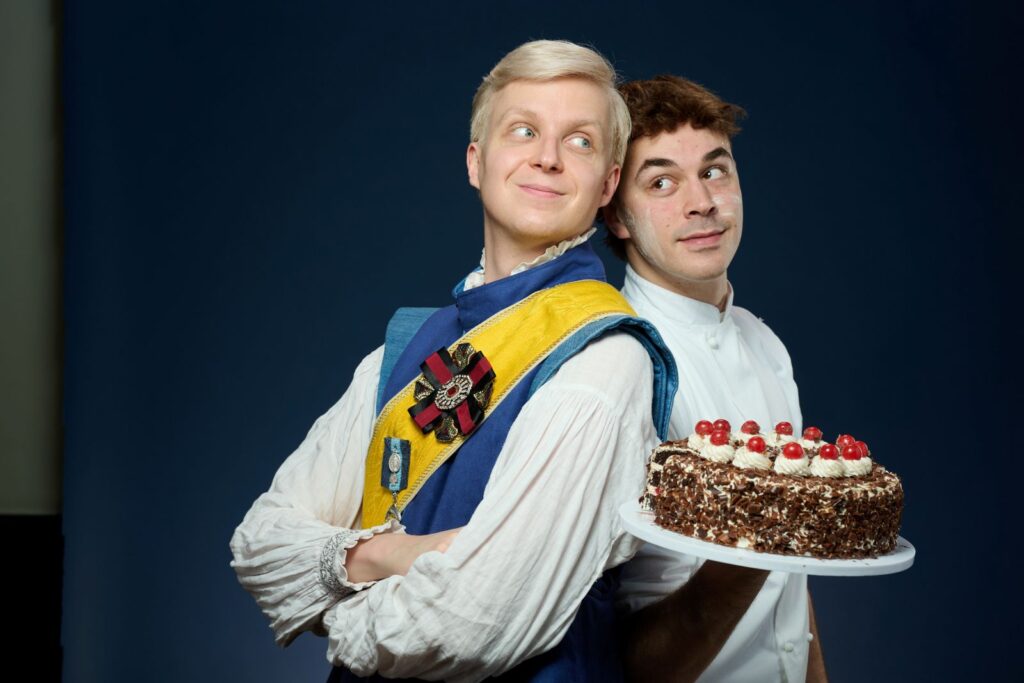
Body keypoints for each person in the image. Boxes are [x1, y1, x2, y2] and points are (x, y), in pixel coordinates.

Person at [230, 40, 675, 682]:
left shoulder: (606, 359)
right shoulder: (404, 346)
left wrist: (336, 605)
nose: (547, 157)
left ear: (607, 183)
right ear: (476, 161)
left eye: (579, 141)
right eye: (523, 131)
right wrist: (389, 555)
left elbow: (476, 622)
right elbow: (261, 544)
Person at [602, 75, 828, 683]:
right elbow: (615, 653)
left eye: (714, 170)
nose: (701, 202)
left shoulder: (764, 341)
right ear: (617, 216)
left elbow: (793, 591)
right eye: (661, 182)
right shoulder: (620, 361)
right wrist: (762, 533)